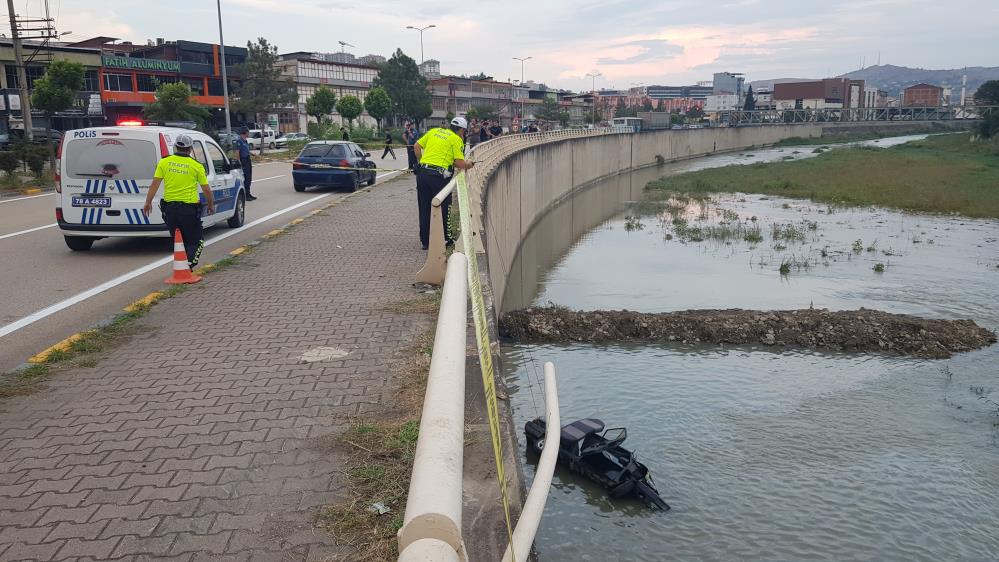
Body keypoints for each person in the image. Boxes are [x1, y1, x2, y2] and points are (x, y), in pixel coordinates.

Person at [142, 134, 215, 269]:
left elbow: (155, 184)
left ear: (176, 147)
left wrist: (148, 202)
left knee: (179, 240)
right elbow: (207, 190)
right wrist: (210, 205)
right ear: (190, 149)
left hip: (169, 210)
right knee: (197, 241)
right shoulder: (196, 166)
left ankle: (183, 266)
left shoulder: (164, 162)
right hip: (189, 210)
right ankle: (189, 265)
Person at [413, 117, 476, 250]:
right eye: (463, 131)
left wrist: (420, 162)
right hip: (438, 177)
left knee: (424, 207)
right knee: (444, 207)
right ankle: (447, 239)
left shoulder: (434, 131)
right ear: (461, 130)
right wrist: (469, 165)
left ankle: (425, 242)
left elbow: (417, 146)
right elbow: (459, 163)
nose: (463, 134)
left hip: (422, 173)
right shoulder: (456, 139)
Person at [234, 127, 256, 201]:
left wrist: (253, 154)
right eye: (248, 132)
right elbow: (237, 152)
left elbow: (246, 150)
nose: (248, 133)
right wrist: (239, 162)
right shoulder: (239, 141)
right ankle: (246, 195)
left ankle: (248, 193)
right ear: (245, 132)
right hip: (243, 161)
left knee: (249, 178)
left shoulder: (245, 141)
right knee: (246, 178)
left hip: (248, 160)